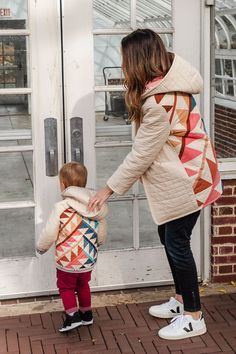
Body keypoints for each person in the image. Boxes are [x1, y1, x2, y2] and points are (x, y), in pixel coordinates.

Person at [88, 29, 222, 340]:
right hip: (195, 173)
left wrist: (107, 190)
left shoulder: (159, 102)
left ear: (137, 60)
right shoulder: (168, 85)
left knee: (177, 244)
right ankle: (181, 301)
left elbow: (140, 156)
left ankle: (193, 316)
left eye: (125, 59)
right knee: (169, 236)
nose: (122, 65)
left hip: (188, 180)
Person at [36, 162, 108, 333]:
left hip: (67, 259)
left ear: (62, 184)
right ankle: (86, 315)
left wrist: (41, 247)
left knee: (66, 287)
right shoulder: (94, 206)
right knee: (84, 284)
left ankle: (72, 317)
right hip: (88, 258)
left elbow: (50, 233)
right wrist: (98, 244)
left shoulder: (61, 207)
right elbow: (102, 230)